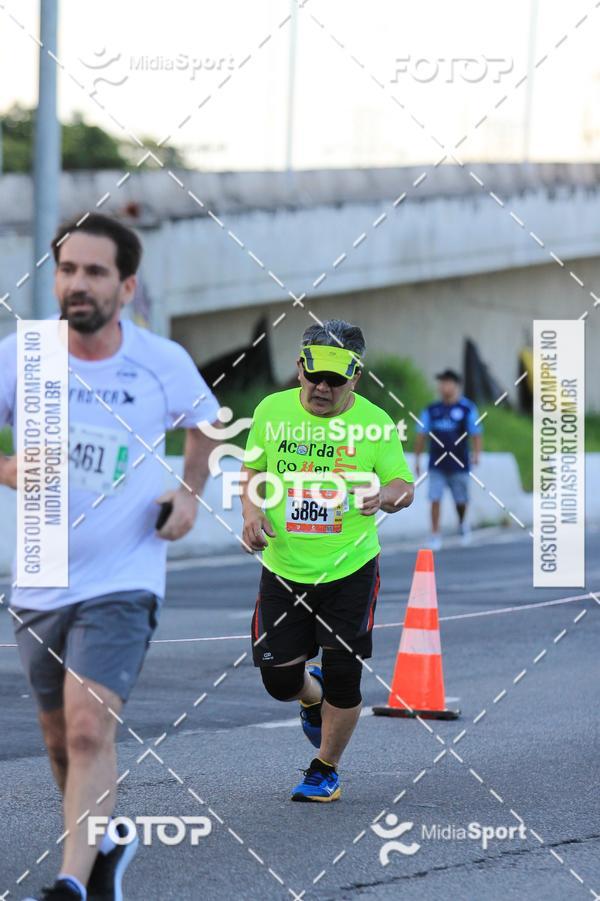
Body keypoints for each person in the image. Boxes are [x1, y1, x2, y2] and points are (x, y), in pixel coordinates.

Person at [0, 214, 220, 901]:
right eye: (67, 269)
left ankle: (70, 881)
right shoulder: (21, 355)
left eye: (95, 272)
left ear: (126, 286)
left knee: (91, 725)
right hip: (41, 573)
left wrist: (188, 494)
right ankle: (103, 843)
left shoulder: (161, 362)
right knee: (62, 739)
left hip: (126, 573)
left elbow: (206, 424)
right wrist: (9, 467)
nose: (77, 283)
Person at [240, 320, 414, 802]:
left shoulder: (375, 423)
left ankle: (325, 768)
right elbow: (253, 469)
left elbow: (404, 485)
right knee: (279, 681)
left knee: (344, 673)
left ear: (355, 378)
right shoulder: (271, 412)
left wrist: (385, 496)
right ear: (299, 368)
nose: (322, 387)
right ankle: (308, 696)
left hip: (349, 568)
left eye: (336, 380)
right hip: (284, 567)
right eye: (314, 375)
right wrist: (251, 513)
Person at [414, 368, 482, 550]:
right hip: (436, 463)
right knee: (434, 498)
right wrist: (417, 459)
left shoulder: (466, 408)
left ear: (456, 385)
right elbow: (421, 434)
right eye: (441, 383)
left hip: (459, 463)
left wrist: (477, 453)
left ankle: (462, 523)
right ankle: (435, 534)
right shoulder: (432, 409)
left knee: (461, 500)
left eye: (447, 382)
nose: (443, 386)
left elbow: (475, 433)